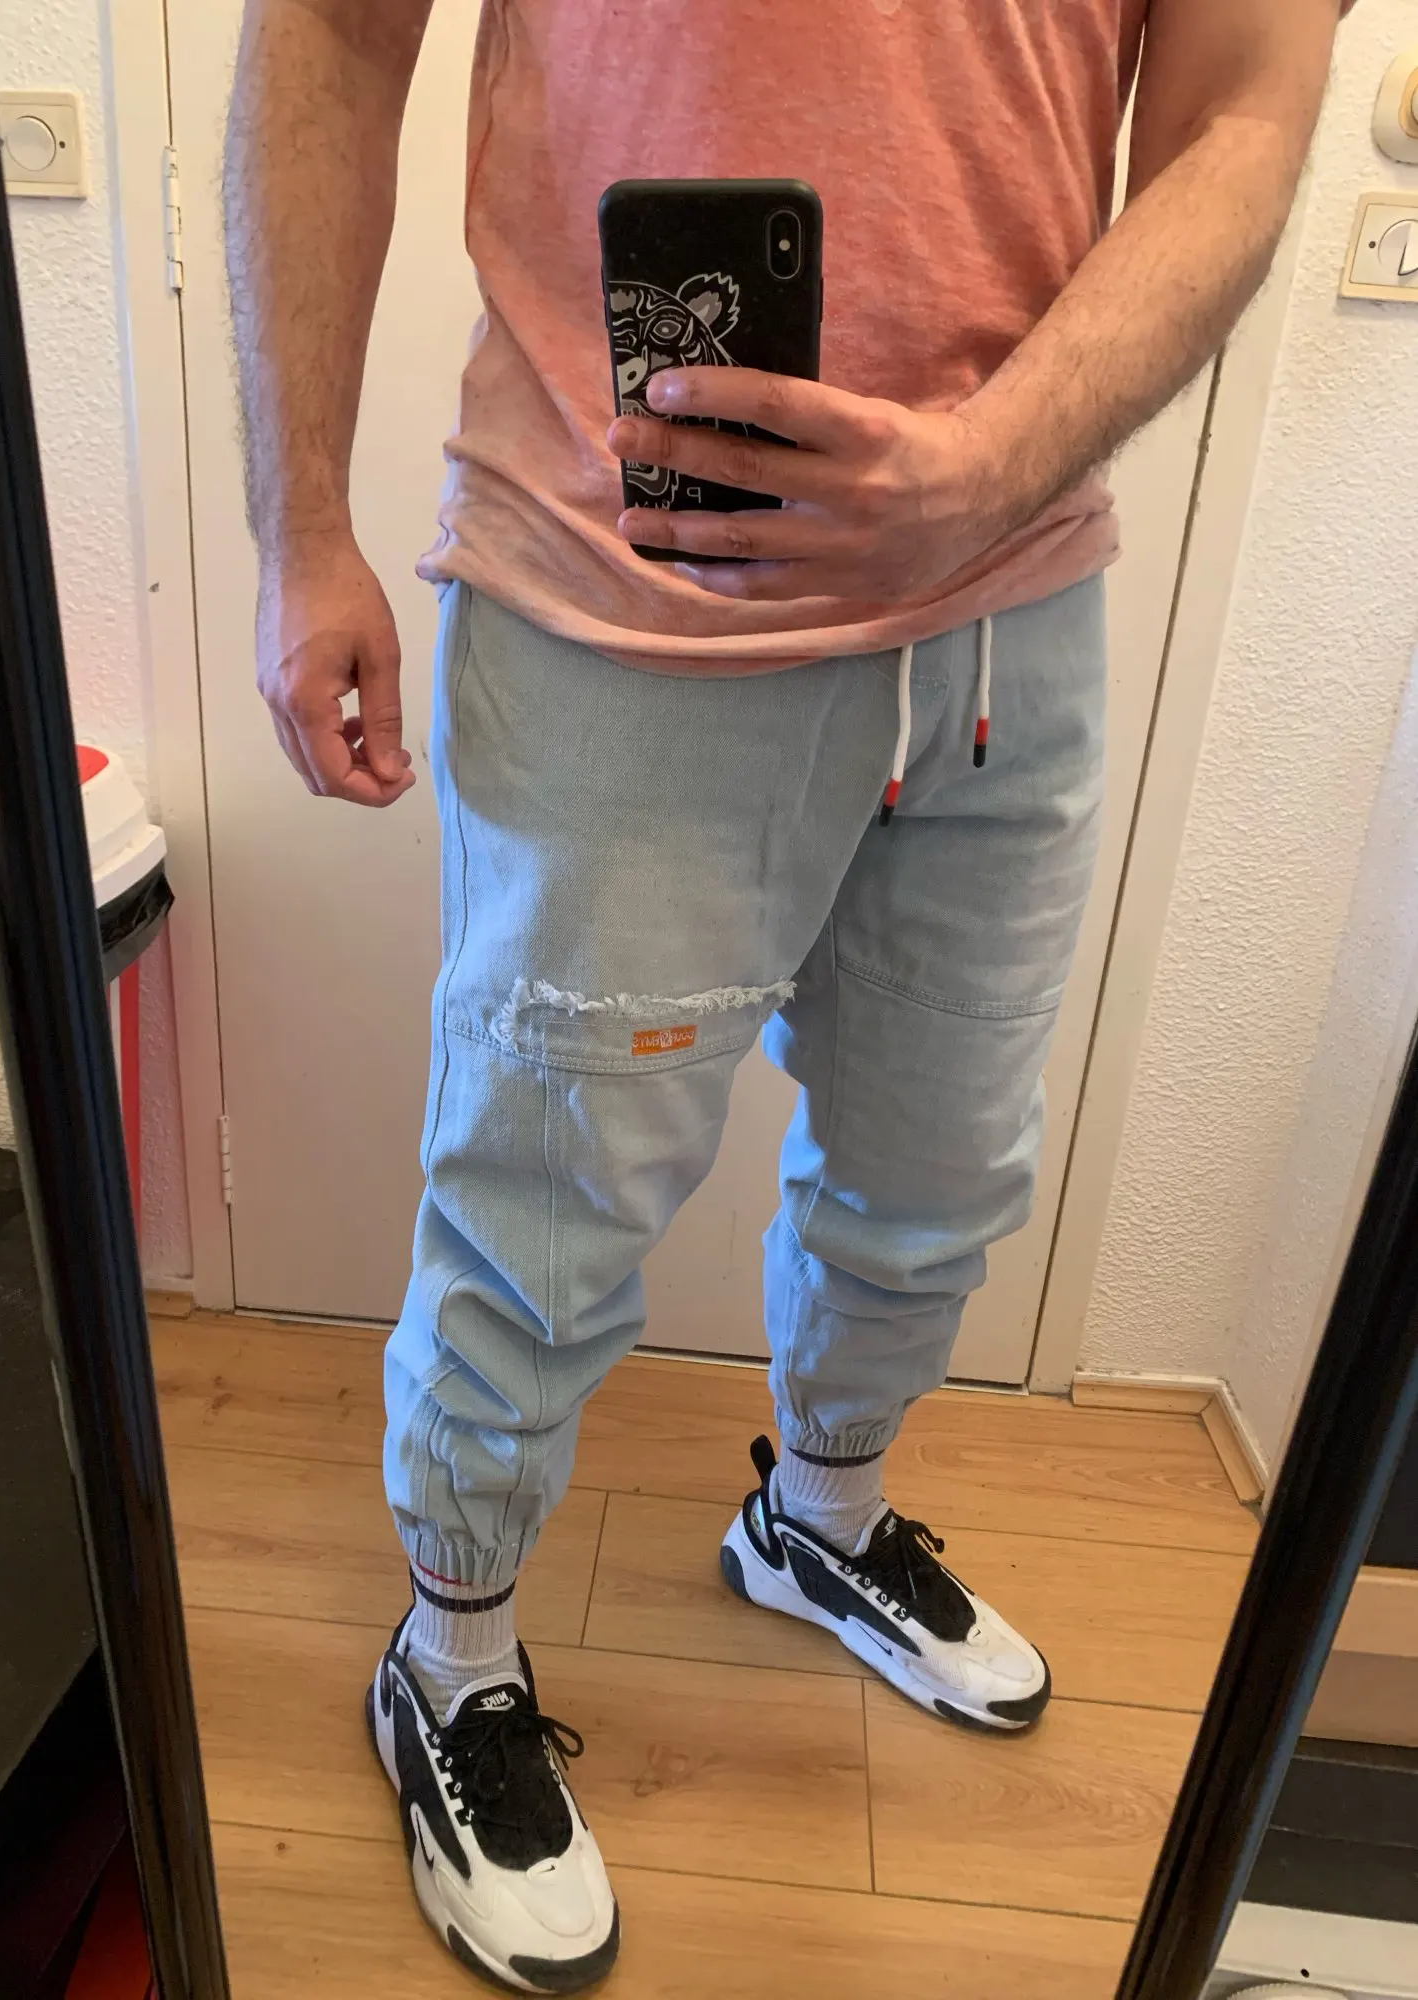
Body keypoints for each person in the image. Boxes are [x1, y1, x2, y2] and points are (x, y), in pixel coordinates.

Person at [225, 0, 1350, 1987]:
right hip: (618, 600)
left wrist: (988, 465)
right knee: (546, 1206)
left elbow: (1245, 113)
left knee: (941, 1168)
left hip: (1014, 610)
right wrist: (298, 523)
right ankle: (449, 1657)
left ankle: (817, 1519)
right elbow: (328, 24)